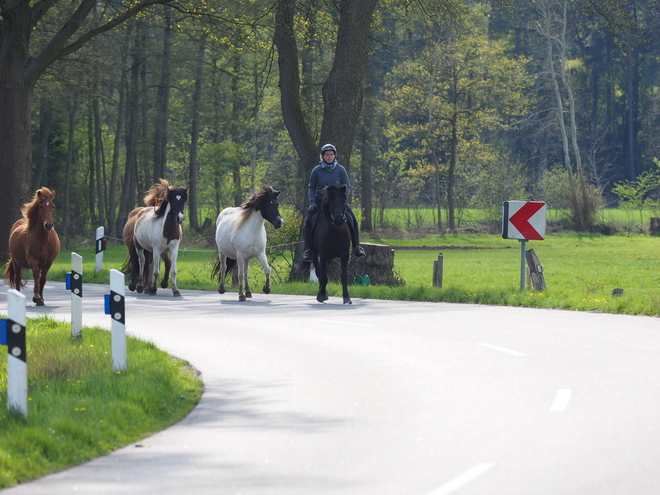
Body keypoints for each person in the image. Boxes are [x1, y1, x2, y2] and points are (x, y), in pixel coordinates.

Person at [302, 143, 365, 263]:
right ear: (323, 156)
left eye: (331, 154)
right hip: (321, 203)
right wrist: (312, 202)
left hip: (338, 204)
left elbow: (348, 186)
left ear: (335, 155)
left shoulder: (341, 170)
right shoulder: (317, 170)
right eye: (327, 154)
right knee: (308, 221)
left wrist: (341, 197)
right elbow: (311, 187)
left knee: (352, 219)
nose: (329, 156)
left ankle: (357, 246)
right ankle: (308, 250)